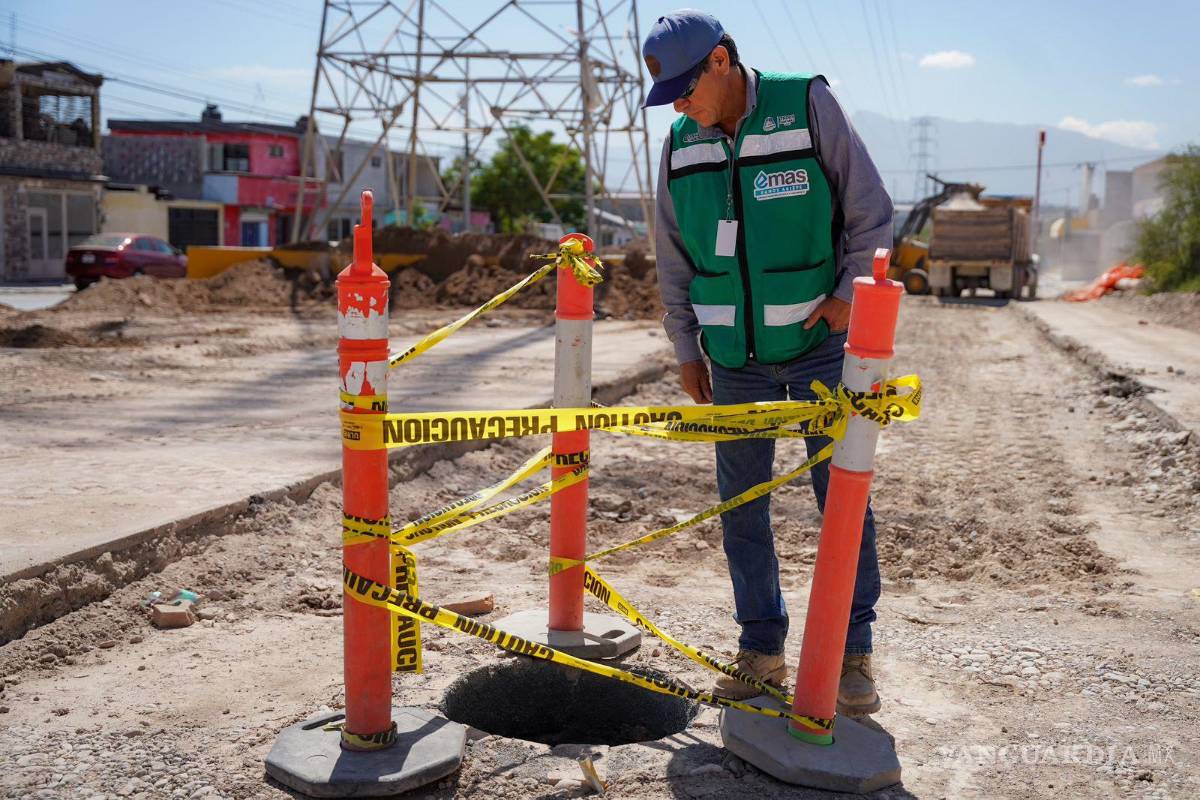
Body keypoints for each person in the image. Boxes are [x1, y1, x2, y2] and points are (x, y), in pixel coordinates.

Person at [643, 10, 893, 716]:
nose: (681, 108)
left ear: (721, 61)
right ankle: (761, 648)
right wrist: (685, 344)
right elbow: (672, 254)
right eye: (670, 101)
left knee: (841, 501)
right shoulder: (680, 143)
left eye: (687, 90)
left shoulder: (806, 104)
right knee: (742, 510)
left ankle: (852, 651)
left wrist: (849, 293)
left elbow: (870, 209)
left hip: (819, 350)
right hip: (734, 365)